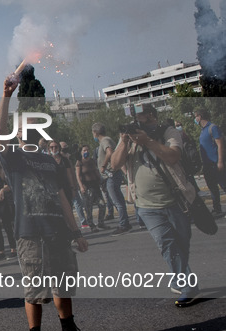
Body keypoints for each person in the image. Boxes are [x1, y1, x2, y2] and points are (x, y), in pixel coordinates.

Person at [0, 76, 103, 331]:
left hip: (58, 232)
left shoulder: (48, 160)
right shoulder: (13, 157)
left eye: (30, 125)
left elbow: (62, 199)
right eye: (21, 127)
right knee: (35, 291)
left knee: (63, 283)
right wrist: (6, 95)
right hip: (30, 235)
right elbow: (0, 130)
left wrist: (75, 231)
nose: (25, 130)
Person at [110, 104, 200, 307]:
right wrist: (124, 142)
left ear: (150, 115)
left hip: (176, 200)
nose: (135, 120)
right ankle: (188, 286)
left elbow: (173, 156)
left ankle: (179, 278)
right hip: (146, 205)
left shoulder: (168, 131)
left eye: (138, 115)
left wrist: (148, 142)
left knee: (181, 243)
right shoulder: (130, 138)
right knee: (167, 243)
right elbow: (114, 164)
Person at [92, 122, 132, 235]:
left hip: (111, 174)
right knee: (117, 200)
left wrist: (104, 165)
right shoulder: (105, 140)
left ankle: (123, 224)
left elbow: (109, 152)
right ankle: (125, 223)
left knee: (117, 201)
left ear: (95, 132)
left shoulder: (105, 141)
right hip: (111, 175)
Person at [195, 108, 226, 216]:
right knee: (213, 188)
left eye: (196, 116)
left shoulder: (213, 128)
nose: (195, 119)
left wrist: (220, 161)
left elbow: (220, 144)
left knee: (224, 185)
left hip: (216, 163)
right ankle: (217, 209)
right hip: (207, 165)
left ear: (200, 116)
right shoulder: (203, 130)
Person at [75, 145, 106, 231]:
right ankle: (91, 225)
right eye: (84, 150)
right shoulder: (79, 162)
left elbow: (96, 171)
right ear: (81, 152)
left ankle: (101, 222)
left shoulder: (92, 161)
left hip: (95, 186)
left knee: (102, 204)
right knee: (89, 208)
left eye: (87, 150)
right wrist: (81, 186)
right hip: (86, 187)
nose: (86, 152)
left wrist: (100, 182)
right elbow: (78, 176)